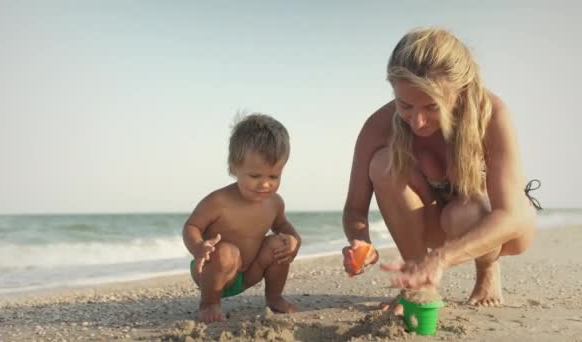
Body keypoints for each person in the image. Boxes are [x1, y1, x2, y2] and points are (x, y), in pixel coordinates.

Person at [341, 27, 540, 309]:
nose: (418, 121)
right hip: (439, 222)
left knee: (464, 212)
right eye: (405, 105)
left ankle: (488, 268)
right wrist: (360, 242)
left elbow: (511, 215)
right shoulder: (378, 126)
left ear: (459, 92)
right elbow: (354, 210)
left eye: (432, 106)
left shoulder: (492, 113)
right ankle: (418, 283)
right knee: (384, 164)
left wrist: (439, 259)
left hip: (502, 228)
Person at [182, 113, 301, 323]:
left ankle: (274, 297)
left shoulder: (274, 203)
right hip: (212, 272)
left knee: (279, 243)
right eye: (255, 176)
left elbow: (283, 226)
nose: (265, 184)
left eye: (273, 176)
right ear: (234, 167)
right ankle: (209, 303)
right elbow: (192, 225)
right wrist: (198, 247)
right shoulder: (218, 201)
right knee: (228, 252)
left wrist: (294, 241)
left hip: (248, 273)